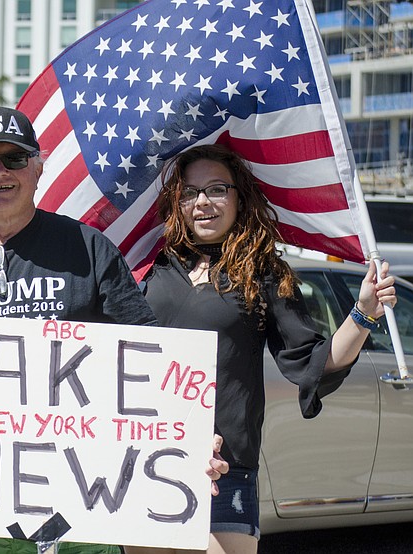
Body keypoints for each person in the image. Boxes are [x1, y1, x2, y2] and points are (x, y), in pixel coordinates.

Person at [0, 107, 228, 554]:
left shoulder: (88, 248)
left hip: (83, 510)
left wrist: (187, 439)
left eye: (13, 159)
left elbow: (147, 354)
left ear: (37, 168)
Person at [131, 144, 397, 554]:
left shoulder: (264, 273)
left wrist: (362, 313)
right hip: (145, 458)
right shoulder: (148, 266)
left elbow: (312, 362)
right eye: (189, 192)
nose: (202, 202)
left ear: (240, 197)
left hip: (226, 466)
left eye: (217, 189)